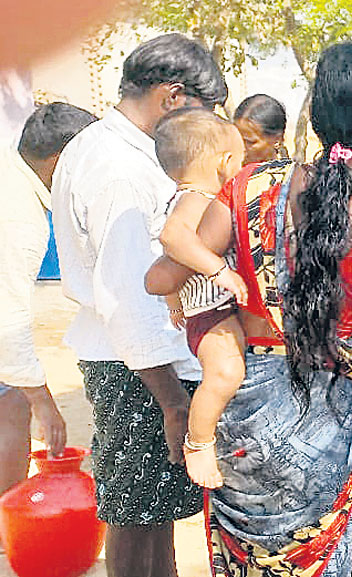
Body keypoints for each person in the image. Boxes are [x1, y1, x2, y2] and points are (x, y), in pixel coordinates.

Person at [172, 42, 352, 576]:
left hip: (239, 410)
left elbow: (187, 268)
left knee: (245, 561)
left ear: (315, 119)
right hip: (324, 430)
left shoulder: (248, 186)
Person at [51, 33, 227, 577]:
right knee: (134, 514)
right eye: (202, 111)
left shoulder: (112, 148)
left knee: (154, 515)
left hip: (141, 363)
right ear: (173, 97)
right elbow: (129, 297)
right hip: (139, 368)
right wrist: (174, 403)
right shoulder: (118, 167)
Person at [141, 108, 247, 489]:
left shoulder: (187, 196)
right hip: (210, 310)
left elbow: (169, 261)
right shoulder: (196, 198)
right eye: (240, 160)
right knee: (225, 374)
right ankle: (199, 443)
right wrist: (219, 270)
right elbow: (173, 240)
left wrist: (173, 297)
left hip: (206, 308)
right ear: (223, 162)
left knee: (227, 373)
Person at [0, 102, 95, 496]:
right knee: (13, 402)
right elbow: (6, 318)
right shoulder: (19, 213)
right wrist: (43, 400)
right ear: (61, 161)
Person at [232, 94, 287, 165]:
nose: (241, 149)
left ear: (277, 140)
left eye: (249, 142)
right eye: (236, 140)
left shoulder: (296, 175)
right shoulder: (226, 172)